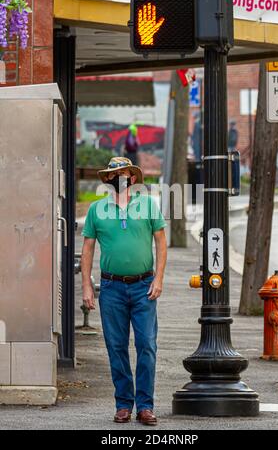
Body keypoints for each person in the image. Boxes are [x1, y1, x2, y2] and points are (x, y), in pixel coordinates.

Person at [81, 157, 167, 426]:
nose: (119, 177)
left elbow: (161, 244)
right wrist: (86, 285)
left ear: (132, 178)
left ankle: (145, 406)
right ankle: (122, 404)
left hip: (144, 286)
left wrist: (159, 279)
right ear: (108, 180)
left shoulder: (148, 205)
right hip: (111, 288)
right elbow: (87, 249)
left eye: (124, 173)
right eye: (114, 174)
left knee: (146, 346)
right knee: (116, 347)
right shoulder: (97, 210)